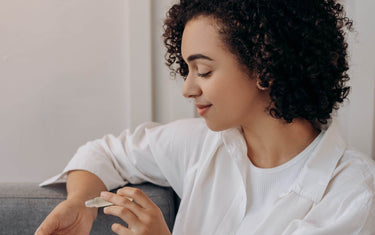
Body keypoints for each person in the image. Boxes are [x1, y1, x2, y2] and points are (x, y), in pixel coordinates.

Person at [35, 0, 375, 234]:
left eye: (204, 70)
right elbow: (104, 153)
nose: (187, 89)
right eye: (187, 69)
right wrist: (80, 203)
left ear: (264, 66)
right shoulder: (200, 145)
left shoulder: (352, 194)